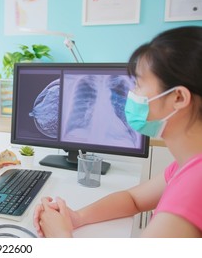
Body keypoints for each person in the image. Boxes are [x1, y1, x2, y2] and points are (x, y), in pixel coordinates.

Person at [34, 26, 202, 238]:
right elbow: (134, 199)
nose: (132, 94)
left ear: (178, 98)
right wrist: (77, 217)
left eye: (139, 84)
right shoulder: (185, 167)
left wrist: (60, 238)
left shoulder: (195, 186)